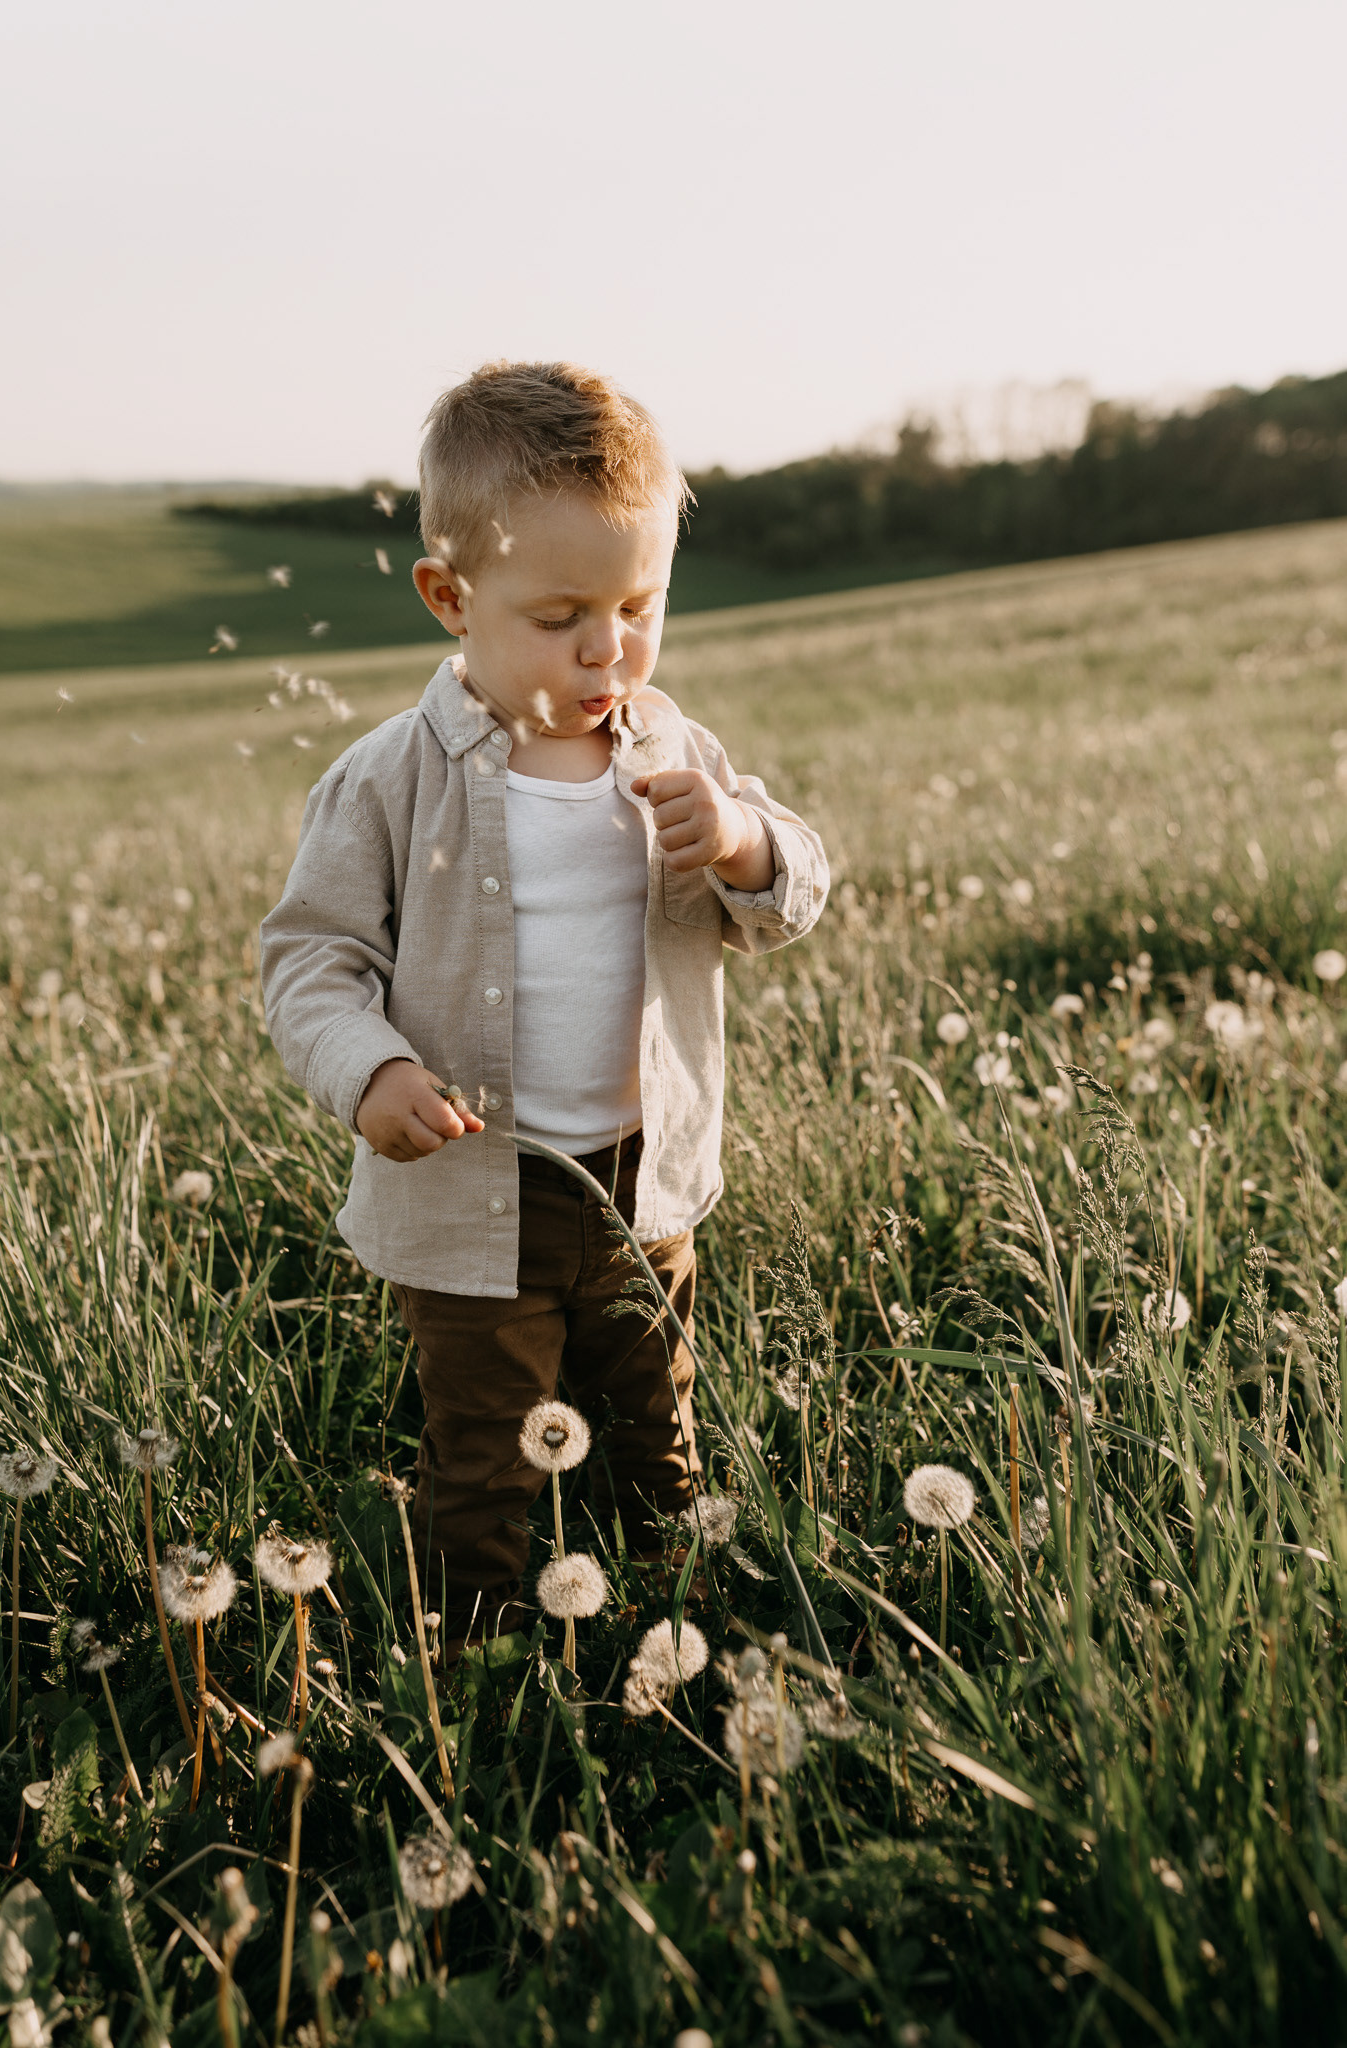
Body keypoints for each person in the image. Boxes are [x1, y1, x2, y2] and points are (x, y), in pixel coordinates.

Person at [261, 360, 828, 1647]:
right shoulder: (391, 780)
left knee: (654, 1413)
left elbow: (797, 889)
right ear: (452, 599)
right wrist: (371, 1072)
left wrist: (742, 842)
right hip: (473, 1193)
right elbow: (310, 958)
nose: (608, 647)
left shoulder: (676, 753)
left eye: (639, 603)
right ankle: (479, 1654)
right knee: (486, 1445)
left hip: (641, 1180)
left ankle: (683, 1609)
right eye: (562, 611)